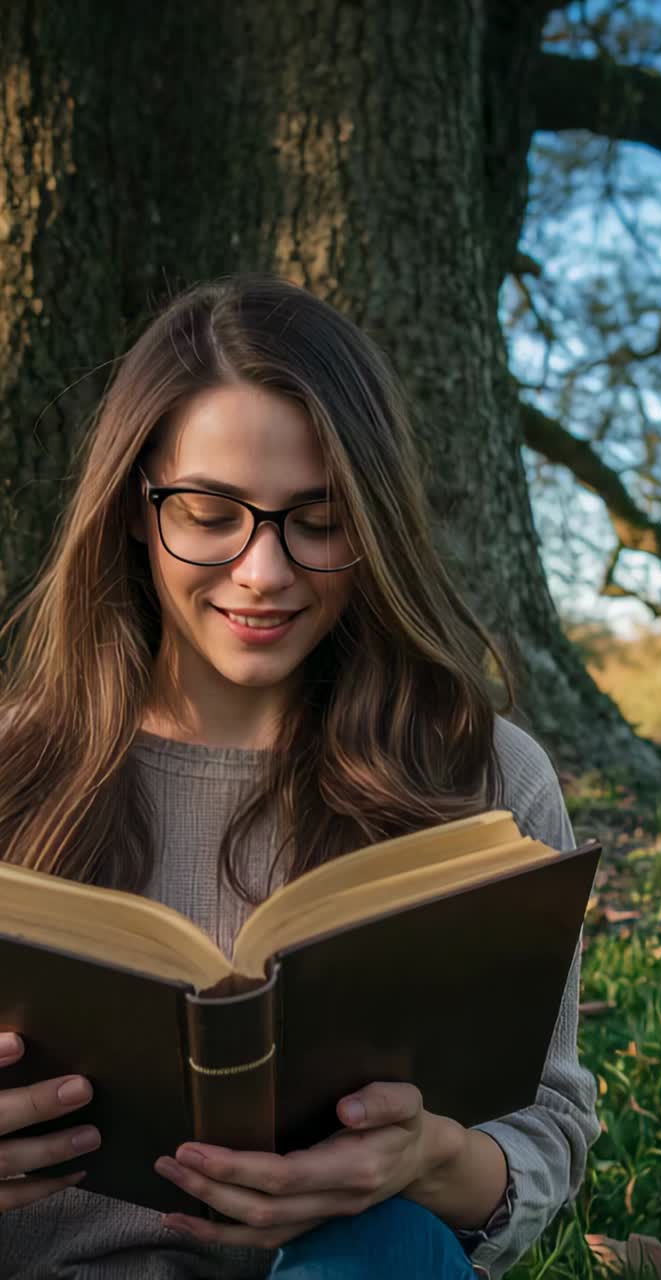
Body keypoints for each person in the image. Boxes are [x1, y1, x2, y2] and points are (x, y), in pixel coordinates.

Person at [0, 274, 600, 1279]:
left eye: (317, 521)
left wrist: (436, 1155)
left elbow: (547, 1128)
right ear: (136, 506)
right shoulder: (15, 765)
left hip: (348, 1266)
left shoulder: (482, 776)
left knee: (389, 1245)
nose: (263, 571)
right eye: (210, 511)